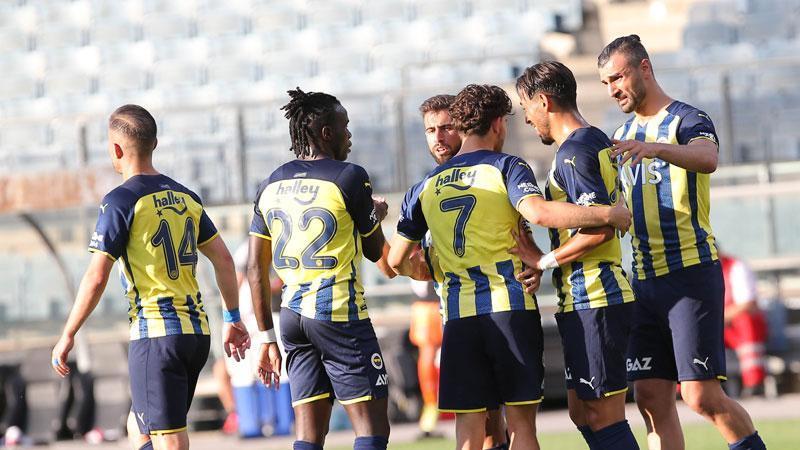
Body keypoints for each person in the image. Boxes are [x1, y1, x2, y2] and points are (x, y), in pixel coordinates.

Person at [388, 84, 631, 450]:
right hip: (510, 308)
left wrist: (430, 269)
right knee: (521, 427)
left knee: (470, 431)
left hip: (458, 317)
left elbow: (396, 261)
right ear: (499, 123)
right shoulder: (507, 166)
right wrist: (607, 213)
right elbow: (537, 212)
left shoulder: (424, 187)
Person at [598, 35, 766, 450]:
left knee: (700, 396)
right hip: (643, 280)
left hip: (689, 273)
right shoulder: (621, 134)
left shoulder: (688, 119)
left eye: (617, 77)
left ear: (644, 68)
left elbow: (707, 159)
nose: (613, 89)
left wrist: (655, 149)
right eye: (605, 83)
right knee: (650, 397)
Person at [50, 104, 250, 450]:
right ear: (154, 143)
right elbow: (224, 259)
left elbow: (96, 277)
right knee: (139, 426)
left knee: (170, 441)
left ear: (115, 150)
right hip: (195, 335)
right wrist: (232, 317)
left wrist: (68, 334)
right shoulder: (186, 197)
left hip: (157, 335)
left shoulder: (121, 201)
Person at [247, 88, 390, 450]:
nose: (349, 135)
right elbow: (375, 250)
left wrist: (267, 338)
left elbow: (255, 268)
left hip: (292, 319)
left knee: (309, 435)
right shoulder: (349, 177)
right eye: (345, 126)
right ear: (327, 133)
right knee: (372, 431)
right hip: (338, 312)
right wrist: (376, 215)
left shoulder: (270, 184)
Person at [513, 61, 639, 450]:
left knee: (603, 415)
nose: (527, 119)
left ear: (544, 101)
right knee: (581, 411)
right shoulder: (591, 140)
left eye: (526, 108)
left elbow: (600, 227)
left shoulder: (574, 151)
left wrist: (545, 260)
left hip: (596, 295)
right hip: (580, 297)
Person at [720, 252, 768, 396]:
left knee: (746, 320)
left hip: (734, 326)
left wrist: (719, 319)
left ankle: (754, 382)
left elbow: (748, 304)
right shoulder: (696, 271)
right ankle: (683, 389)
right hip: (717, 327)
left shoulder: (736, 267)